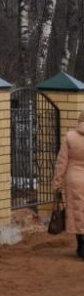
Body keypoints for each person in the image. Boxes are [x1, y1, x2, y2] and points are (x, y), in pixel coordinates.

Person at [52, 110, 84, 258]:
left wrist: (57, 183)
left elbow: (61, 162)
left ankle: (81, 245)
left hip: (74, 179)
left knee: (78, 211)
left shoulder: (70, 136)